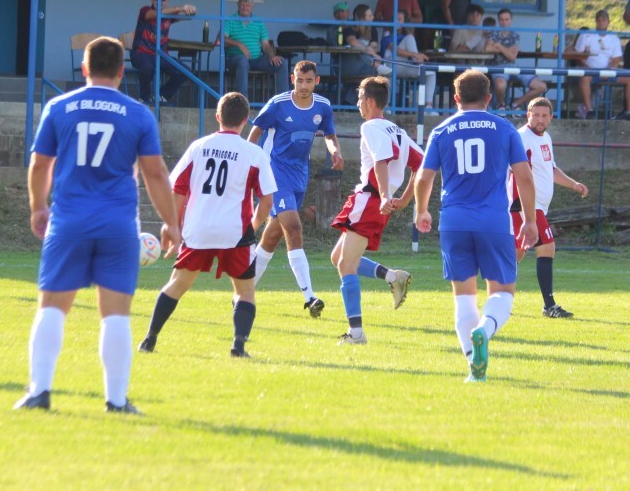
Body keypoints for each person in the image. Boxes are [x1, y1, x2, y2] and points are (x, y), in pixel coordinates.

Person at [16, 36, 182, 414]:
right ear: (123, 71)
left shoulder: (59, 107)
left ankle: (39, 392)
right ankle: (116, 400)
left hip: (68, 220)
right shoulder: (138, 114)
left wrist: (38, 207)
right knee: (115, 313)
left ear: (84, 68)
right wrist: (171, 223)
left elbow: (40, 164)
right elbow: (156, 174)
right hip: (118, 225)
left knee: (52, 308)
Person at [414, 69, 538, 382]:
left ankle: (475, 369)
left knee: (463, 297)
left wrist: (422, 210)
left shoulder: (441, 130)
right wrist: (530, 220)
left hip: (454, 221)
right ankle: (485, 329)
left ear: (456, 98)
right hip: (494, 220)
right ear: (488, 98)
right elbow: (524, 177)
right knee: (503, 291)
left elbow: (424, 177)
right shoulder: (505, 128)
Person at [138, 92, 277, 357]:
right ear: (245, 120)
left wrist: (173, 225)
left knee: (177, 284)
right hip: (235, 232)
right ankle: (238, 347)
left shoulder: (198, 147)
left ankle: (149, 339)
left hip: (198, 229)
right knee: (245, 291)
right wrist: (252, 227)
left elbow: (178, 190)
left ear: (217, 116)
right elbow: (267, 201)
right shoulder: (254, 153)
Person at [247, 60, 343, 317]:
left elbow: (329, 134)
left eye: (308, 81)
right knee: (294, 227)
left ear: (316, 81)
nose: (303, 85)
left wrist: (335, 152)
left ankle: (243, 292)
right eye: (299, 80)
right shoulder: (278, 104)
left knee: (271, 238)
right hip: (274, 174)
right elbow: (255, 133)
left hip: (299, 176)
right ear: (293, 79)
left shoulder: (322, 106)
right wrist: (251, 165)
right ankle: (310, 297)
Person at [330, 76, 421, 345]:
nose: (358, 104)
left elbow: (381, 161)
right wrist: (404, 199)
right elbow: (423, 164)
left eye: (360, 99)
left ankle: (356, 333)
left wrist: (384, 197)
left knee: (346, 264)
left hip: (370, 201)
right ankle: (393, 277)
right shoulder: (397, 131)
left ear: (370, 102)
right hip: (372, 200)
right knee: (338, 258)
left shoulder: (370, 127)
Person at [514, 97, 587, 318]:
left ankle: (498, 295)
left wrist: (573, 184)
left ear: (551, 117)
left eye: (544, 115)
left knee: (516, 254)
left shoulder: (545, 138)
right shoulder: (521, 138)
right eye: (535, 115)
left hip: (537, 206)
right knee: (546, 247)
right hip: (526, 205)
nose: (540, 119)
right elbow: (514, 171)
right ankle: (549, 306)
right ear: (528, 115)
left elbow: (551, 169)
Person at [130, 0, 195, 105]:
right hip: (141, 53)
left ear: (167, 1)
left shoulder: (169, 15)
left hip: (160, 55)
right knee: (147, 68)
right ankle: (144, 98)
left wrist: (191, 10)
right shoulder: (145, 10)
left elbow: (188, 16)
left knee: (185, 71)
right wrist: (181, 7)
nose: (159, 2)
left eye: (163, 0)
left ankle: (161, 96)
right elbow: (157, 14)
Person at [571, 9, 630, 120]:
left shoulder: (614, 38)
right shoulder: (586, 35)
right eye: (599, 20)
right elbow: (577, 54)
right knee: (584, 78)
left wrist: (609, 69)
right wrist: (585, 66)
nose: (601, 22)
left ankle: (629, 111)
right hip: (590, 71)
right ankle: (589, 110)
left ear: (608, 22)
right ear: (596, 21)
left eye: (604, 20)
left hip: (609, 71)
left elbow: (616, 58)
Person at [224, 0, 289, 99]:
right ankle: (243, 102)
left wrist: (272, 55)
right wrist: (239, 44)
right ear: (238, 4)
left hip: (256, 60)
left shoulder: (258, 22)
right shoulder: (230, 20)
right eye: (242, 5)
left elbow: (265, 44)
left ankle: (283, 100)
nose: (245, 8)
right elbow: (222, 38)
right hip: (235, 59)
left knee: (281, 63)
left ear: (252, 7)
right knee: (242, 61)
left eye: (248, 5)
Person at [486, 8, 546, 116]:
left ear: (511, 20)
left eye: (507, 19)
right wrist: (507, 50)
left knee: (541, 86)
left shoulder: (515, 35)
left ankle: (515, 105)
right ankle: (501, 105)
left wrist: (499, 46)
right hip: (498, 67)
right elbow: (487, 49)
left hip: (514, 67)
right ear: (498, 21)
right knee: (500, 85)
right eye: (501, 20)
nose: (504, 22)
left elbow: (512, 57)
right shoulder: (493, 34)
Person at [379, 9, 437, 115]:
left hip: (404, 65)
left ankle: (428, 107)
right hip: (390, 65)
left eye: (400, 19)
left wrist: (415, 55)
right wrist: (416, 55)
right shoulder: (387, 35)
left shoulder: (405, 36)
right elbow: (396, 51)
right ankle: (419, 63)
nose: (397, 21)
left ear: (404, 21)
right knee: (410, 38)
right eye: (395, 19)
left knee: (431, 73)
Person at [340, 3, 389, 79]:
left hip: (365, 65)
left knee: (379, 66)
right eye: (370, 16)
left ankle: (378, 67)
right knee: (360, 44)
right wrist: (365, 48)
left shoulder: (372, 29)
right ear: (362, 18)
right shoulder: (350, 27)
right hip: (347, 66)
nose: (373, 17)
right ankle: (378, 67)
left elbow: (373, 49)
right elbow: (352, 41)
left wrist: (374, 54)